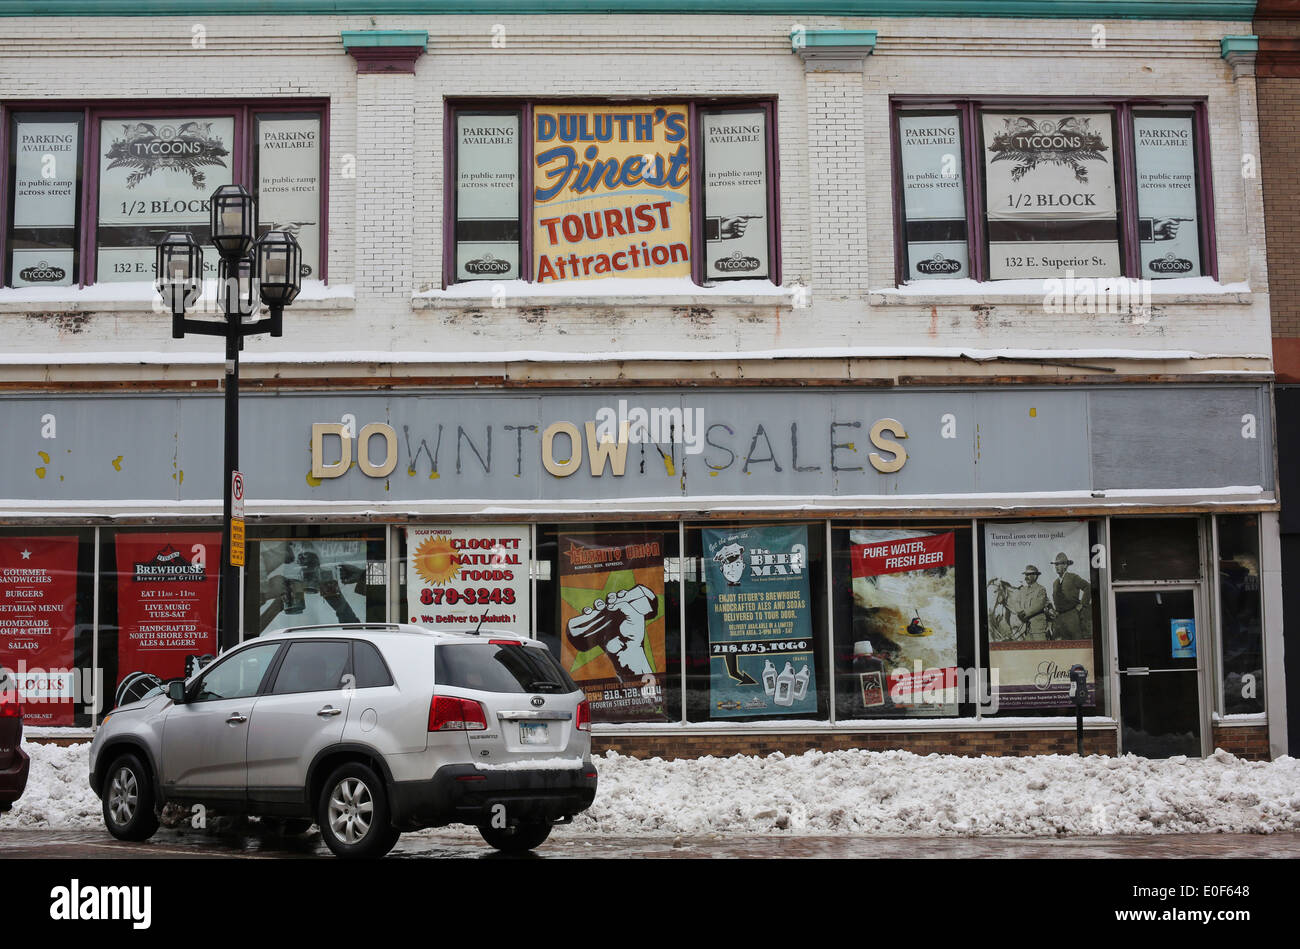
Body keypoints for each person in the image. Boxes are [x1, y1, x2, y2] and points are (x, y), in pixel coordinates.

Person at [1050, 552, 1092, 640]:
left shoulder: (1073, 577)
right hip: (1059, 618)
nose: (1056, 567)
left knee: (1076, 641)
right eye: (1055, 564)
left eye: (1059, 564)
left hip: (1072, 615)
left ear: (1065, 565)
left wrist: (1083, 604)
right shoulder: (1055, 583)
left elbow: (1088, 587)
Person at [1016, 565, 1049, 640]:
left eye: (1029, 575)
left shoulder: (1041, 589)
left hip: (1038, 628)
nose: (1026, 577)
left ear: (1035, 576)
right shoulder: (1023, 590)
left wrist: (1024, 613)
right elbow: (1017, 602)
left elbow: (1039, 605)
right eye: (1026, 575)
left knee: (1041, 649)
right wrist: (1019, 611)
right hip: (1026, 628)